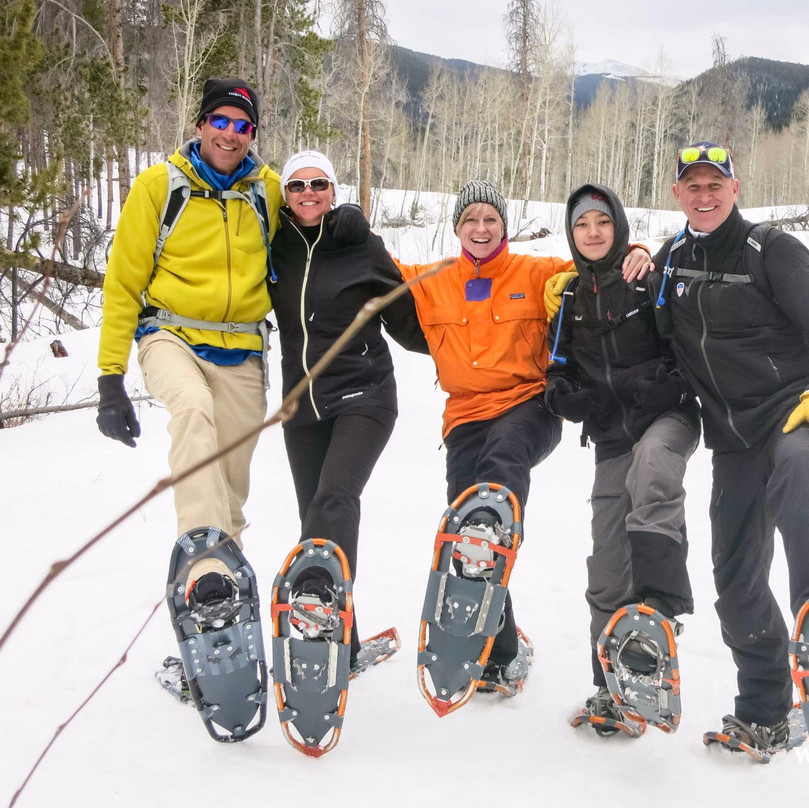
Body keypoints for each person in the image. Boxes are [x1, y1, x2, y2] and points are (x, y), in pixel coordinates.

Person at [651, 142, 809, 753]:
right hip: (733, 442)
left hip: (789, 415)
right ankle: (765, 710)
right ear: (677, 196)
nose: (705, 194)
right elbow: (643, 332)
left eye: (715, 184)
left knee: (803, 470)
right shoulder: (669, 261)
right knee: (736, 584)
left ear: (735, 188)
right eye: (692, 186)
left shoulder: (772, 251)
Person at [393, 180, 652, 689]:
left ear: (505, 225)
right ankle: (501, 655)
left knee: (496, 483)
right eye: (471, 220)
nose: (481, 228)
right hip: (465, 415)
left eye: (490, 218)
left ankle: (491, 529)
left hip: (528, 405)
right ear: (457, 227)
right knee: (467, 536)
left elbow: (597, 261)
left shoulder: (535, 272)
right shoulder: (432, 279)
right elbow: (377, 270)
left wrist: (638, 250)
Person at [96, 78, 281, 604]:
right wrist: (111, 379)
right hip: (170, 334)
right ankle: (204, 575)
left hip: (242, 348)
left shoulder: (266, 190)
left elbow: (308, 242)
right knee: (194, 414)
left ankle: (225, 613)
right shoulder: (159, 187)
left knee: (229, 491)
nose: (230, 134)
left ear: (252, 134)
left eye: (242, 126)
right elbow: (124, 284)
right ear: (200, 125)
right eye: (219, 122)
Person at [545, 184, 701, 733]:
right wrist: (564, 396)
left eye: (603, 223)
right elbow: (557, 368)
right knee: (607, 564)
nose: (592, 232)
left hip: (666, 418)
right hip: (612, 434)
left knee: (653, 466)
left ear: (619, 228)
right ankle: (609, 690)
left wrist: (668, 385)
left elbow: (687, 346)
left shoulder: (647, 280)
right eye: (582, 224)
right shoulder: (568, 299)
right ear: (571, 233)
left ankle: (659, 598)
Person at [268, 150, 429, 673]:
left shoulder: (359, 242)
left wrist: (468, 353)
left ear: (333, 190)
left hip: (365, 395)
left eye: (319, 183)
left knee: (335, 499)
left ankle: (317, 614)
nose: (308, 192)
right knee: (314, 517)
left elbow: (408, 316)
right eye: (297, 185)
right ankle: (346, 641)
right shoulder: (275, 245)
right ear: (285, 195)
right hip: (302, 406)